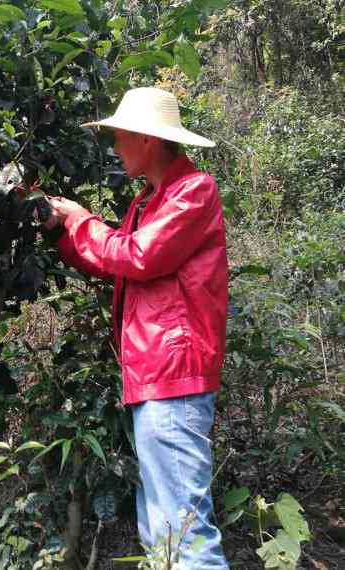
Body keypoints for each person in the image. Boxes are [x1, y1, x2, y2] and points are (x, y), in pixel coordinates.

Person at [42, 87, 230, 569]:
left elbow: (138, 256)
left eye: (120, 136)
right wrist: (63, 233)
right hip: (153, 375)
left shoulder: (193, 191)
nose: (115, 146)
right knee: (162, 531)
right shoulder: (149, 201)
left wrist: (82, 220)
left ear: (147, 139)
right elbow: (117, 262)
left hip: (173, 374)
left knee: (185, 534)